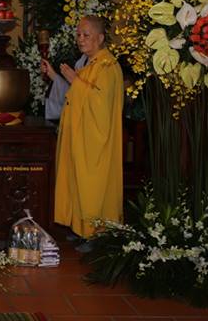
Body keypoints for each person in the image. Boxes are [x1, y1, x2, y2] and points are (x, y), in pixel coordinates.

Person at [46, 15, 123, 248]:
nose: (80, 39)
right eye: (78, 34)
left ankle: (96, 233)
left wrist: (75, 80)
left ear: (100, 38)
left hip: (96, 140)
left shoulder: (107, 66)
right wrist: (66, 78)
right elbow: (79, 94)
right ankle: (80, 228)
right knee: (78, 182)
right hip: (81, 136)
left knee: (93, 186)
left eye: (86, 35)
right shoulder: (90, 63)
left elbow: (100, 104)